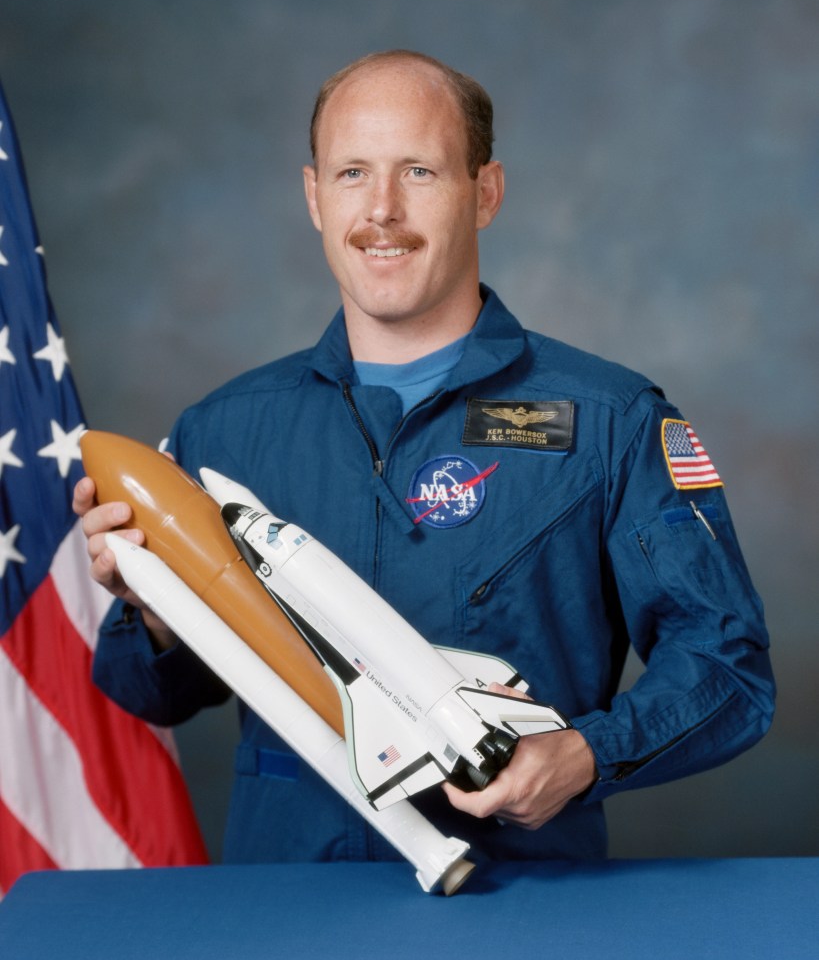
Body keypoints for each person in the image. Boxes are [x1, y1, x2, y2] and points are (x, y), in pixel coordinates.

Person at [74, 50, 774, 865]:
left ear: (485, 192)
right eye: (350, 174)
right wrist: (161, 603)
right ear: (312, 196)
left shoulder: (609, 420)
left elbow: (727, 667)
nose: (381, 210)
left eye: (418, 170)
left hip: (518, 904)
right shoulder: (225, 430)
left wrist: (586, 753)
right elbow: (143, 691)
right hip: (286, 901)